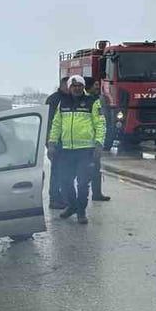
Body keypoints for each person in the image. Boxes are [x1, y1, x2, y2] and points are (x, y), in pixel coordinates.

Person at [47, 75, 104, 224]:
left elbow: (100, 124)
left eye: (79, 85)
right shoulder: (63, 102)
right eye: (73, 86)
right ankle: (72, 205)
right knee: (65, 181)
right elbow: (56, 125)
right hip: (66, 150)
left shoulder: (92, 102)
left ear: (83, 87)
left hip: (86, 150)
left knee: (83, 183)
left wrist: (99, 144)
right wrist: (52, 143)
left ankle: (81, 212)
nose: (76, 88)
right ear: (69, 88)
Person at [45, 80, 72, 209]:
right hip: (56, 141)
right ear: (62, 86)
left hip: (66, 141)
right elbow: (49, 122)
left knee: (65, 171)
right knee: (57, 170)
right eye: (68, 85)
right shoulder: (54, 100)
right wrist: (50, 143)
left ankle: (61, 196)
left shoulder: (69, 99)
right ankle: (54, 198)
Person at [85, 80, 111, 201]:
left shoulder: (97, 100)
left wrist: (99, 142)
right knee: (82, 173)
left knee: (95, 168)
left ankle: (96, 193)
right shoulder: (86, 101)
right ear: (88, 87)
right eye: (95, 85)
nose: (97, 87)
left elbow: (100, 122)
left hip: (93, 142)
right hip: (83, 144)